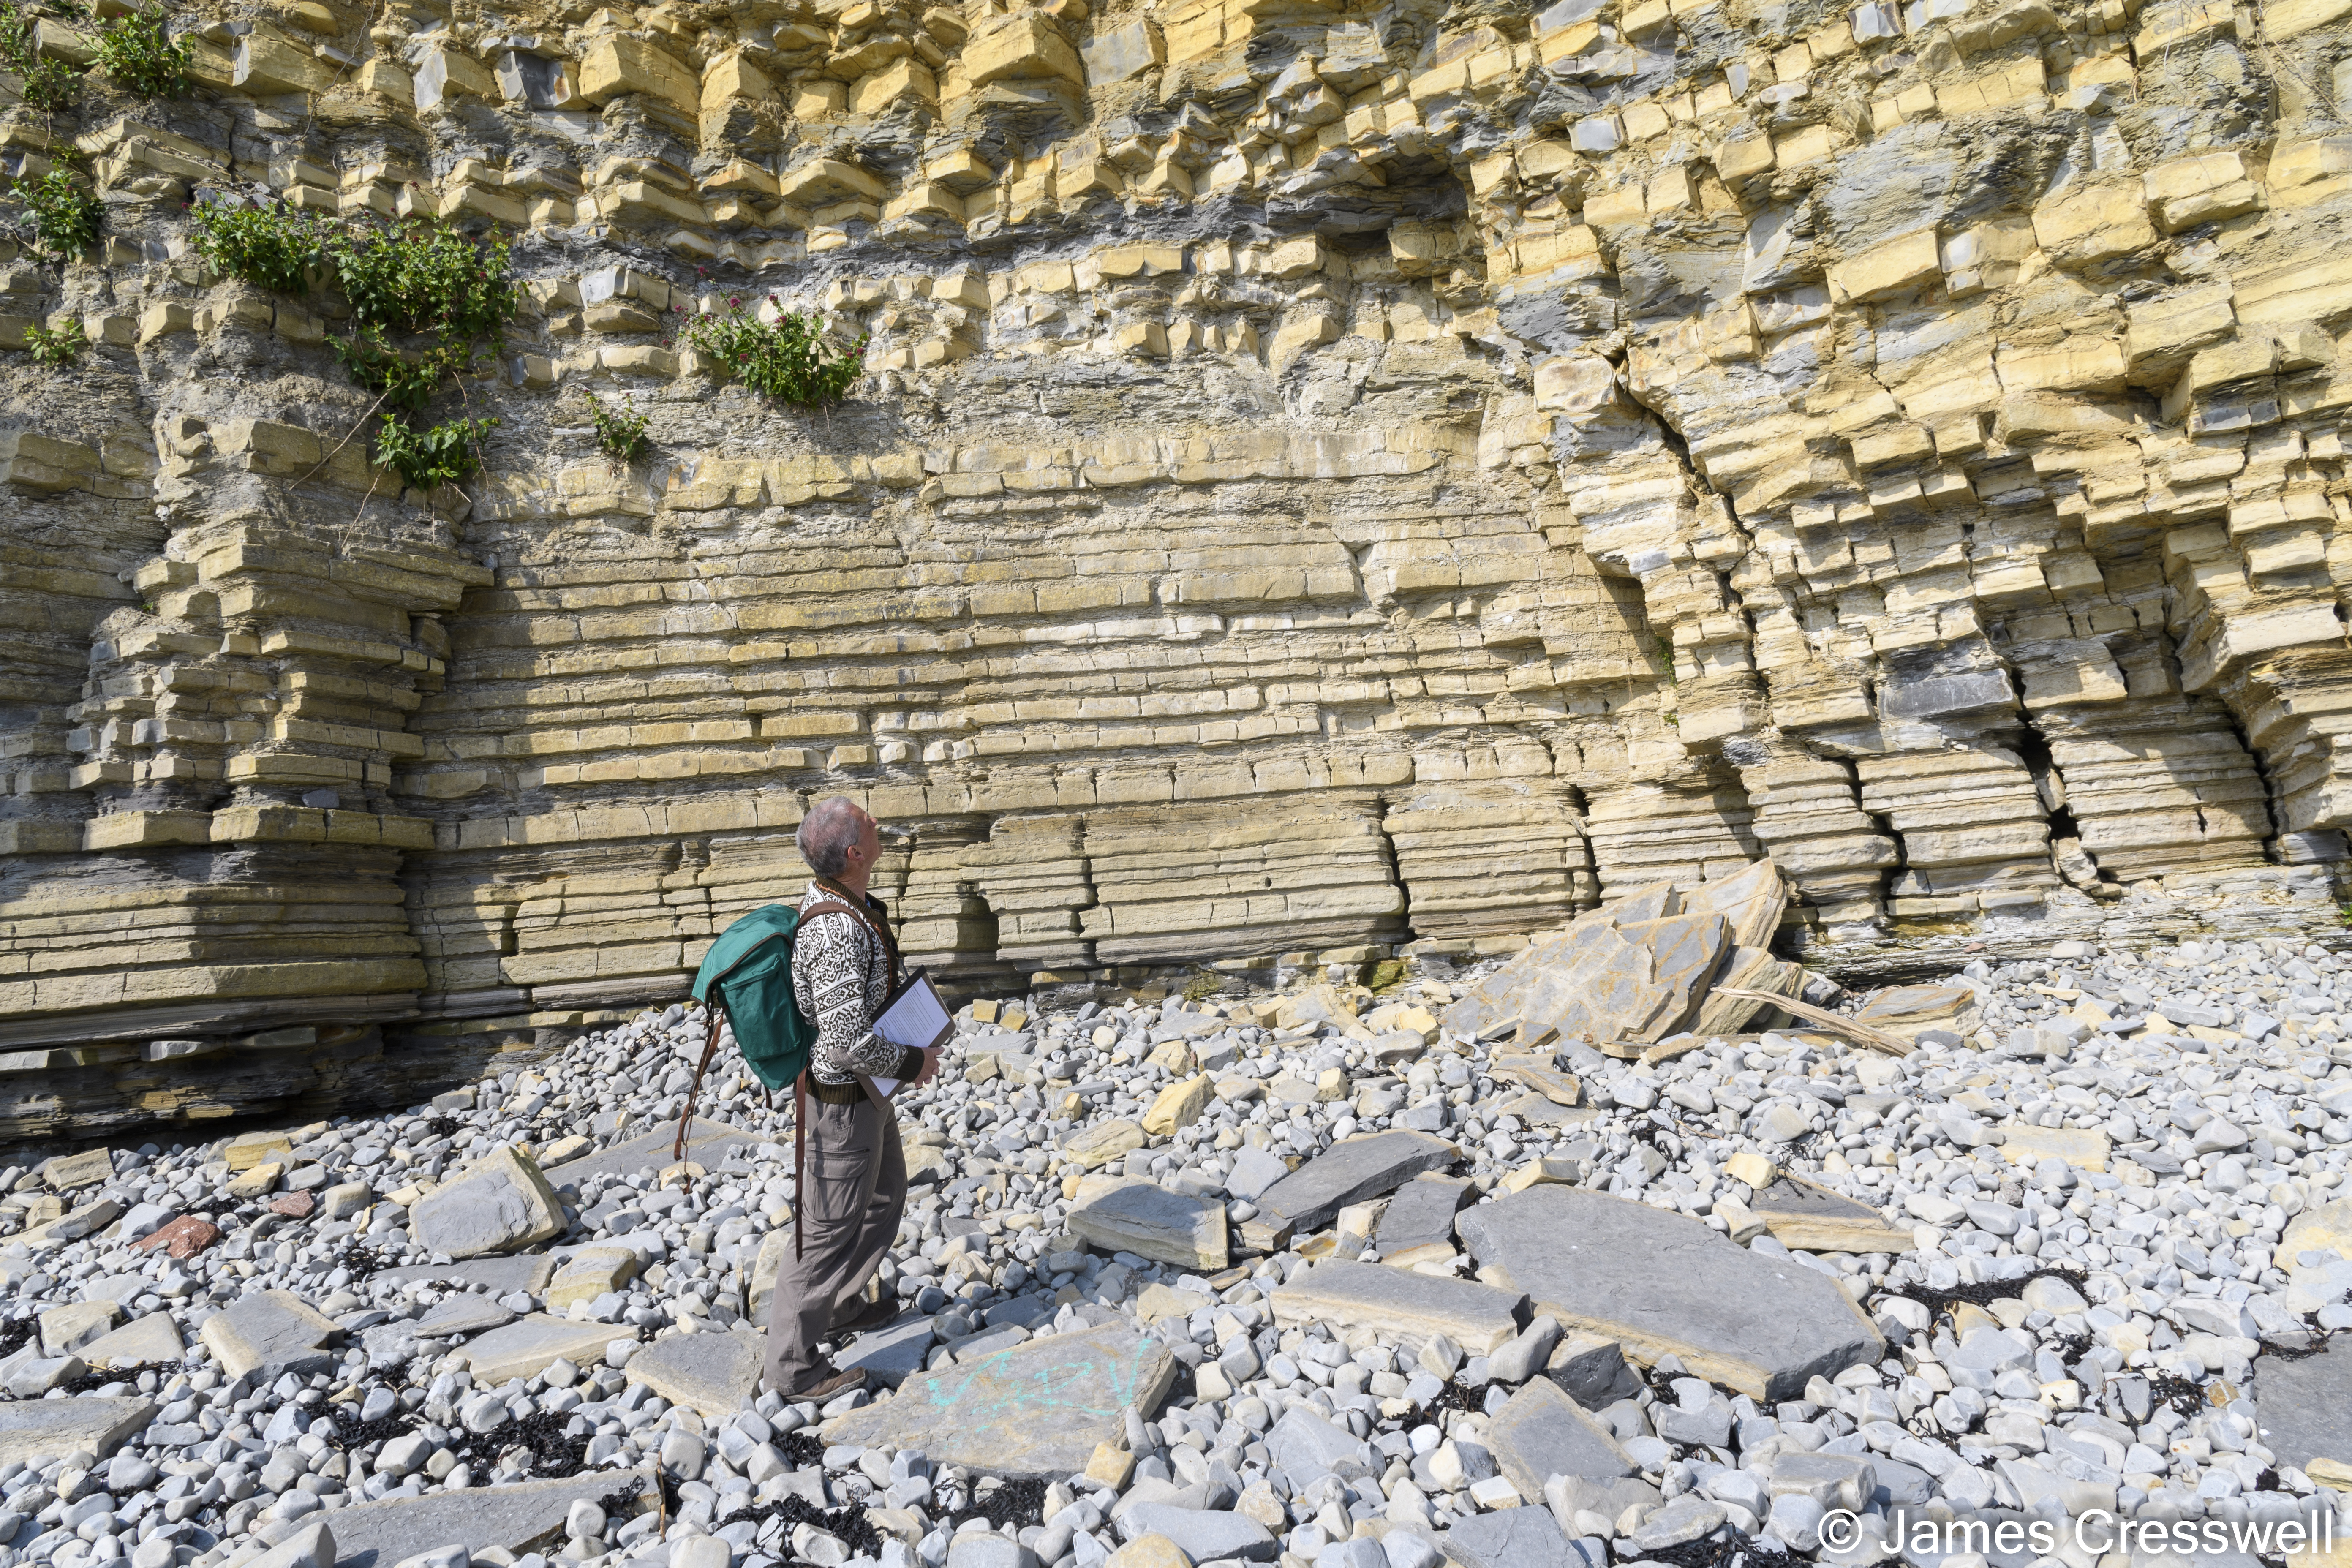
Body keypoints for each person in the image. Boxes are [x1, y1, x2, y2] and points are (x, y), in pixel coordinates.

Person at [762, 795, 942, 1400]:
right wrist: (914, 1061)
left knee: (885, 1194)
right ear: (856, 853)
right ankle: (792, 1368)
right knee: (825, 1232)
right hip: (843, 1101)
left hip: (865, 1096)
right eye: (866, 819)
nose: (876, 815)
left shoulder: (845, 900)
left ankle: (839, 1306)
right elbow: (842, 1041)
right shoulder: (838, 929)